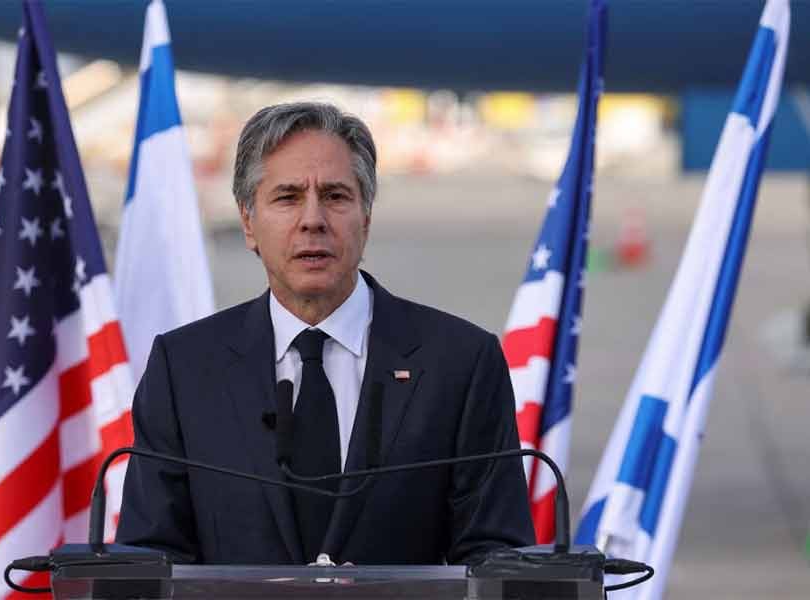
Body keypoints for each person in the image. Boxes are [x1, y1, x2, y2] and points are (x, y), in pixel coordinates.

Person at [116, 102, 534, 565]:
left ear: (366, 218)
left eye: (335, 196)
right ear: (249, 222)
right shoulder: (185, 368)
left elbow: (496, 558)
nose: (313, 219)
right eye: (288, 197)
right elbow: (150, 558)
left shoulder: (460, 363)